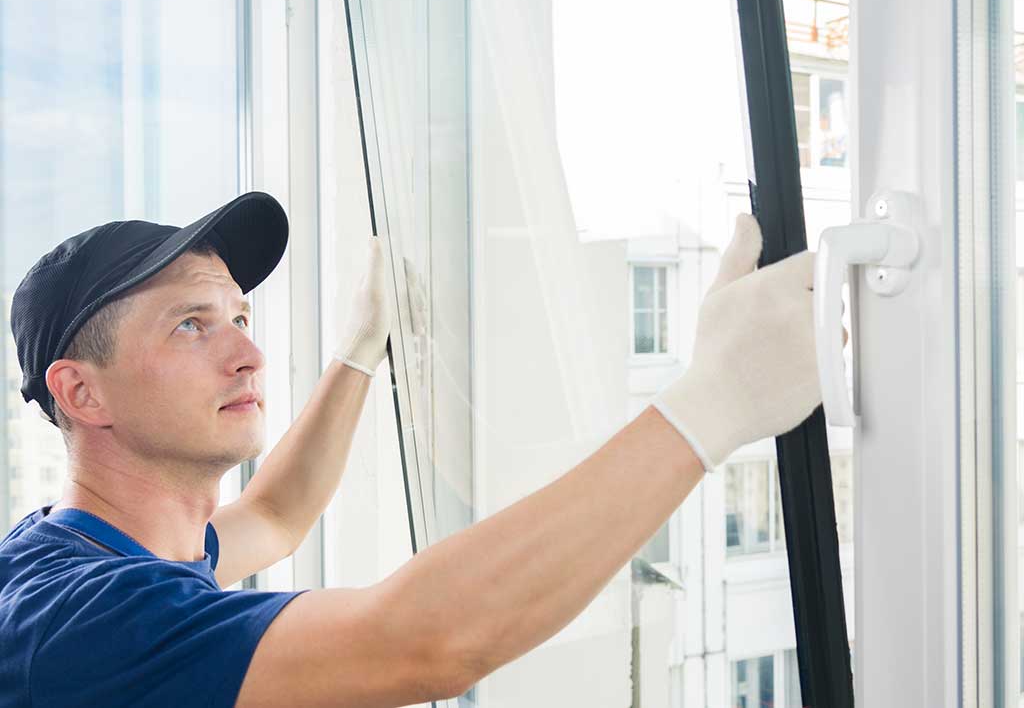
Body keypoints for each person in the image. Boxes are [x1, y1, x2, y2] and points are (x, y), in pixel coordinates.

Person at [0, 192, 828, 707]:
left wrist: (359, 350)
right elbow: (426, 640)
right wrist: (713, 403)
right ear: (82, 393)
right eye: (191, 325)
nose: (248, 354)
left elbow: (276, 513)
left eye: (240, 318)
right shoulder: (78, 623)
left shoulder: (95, 549)